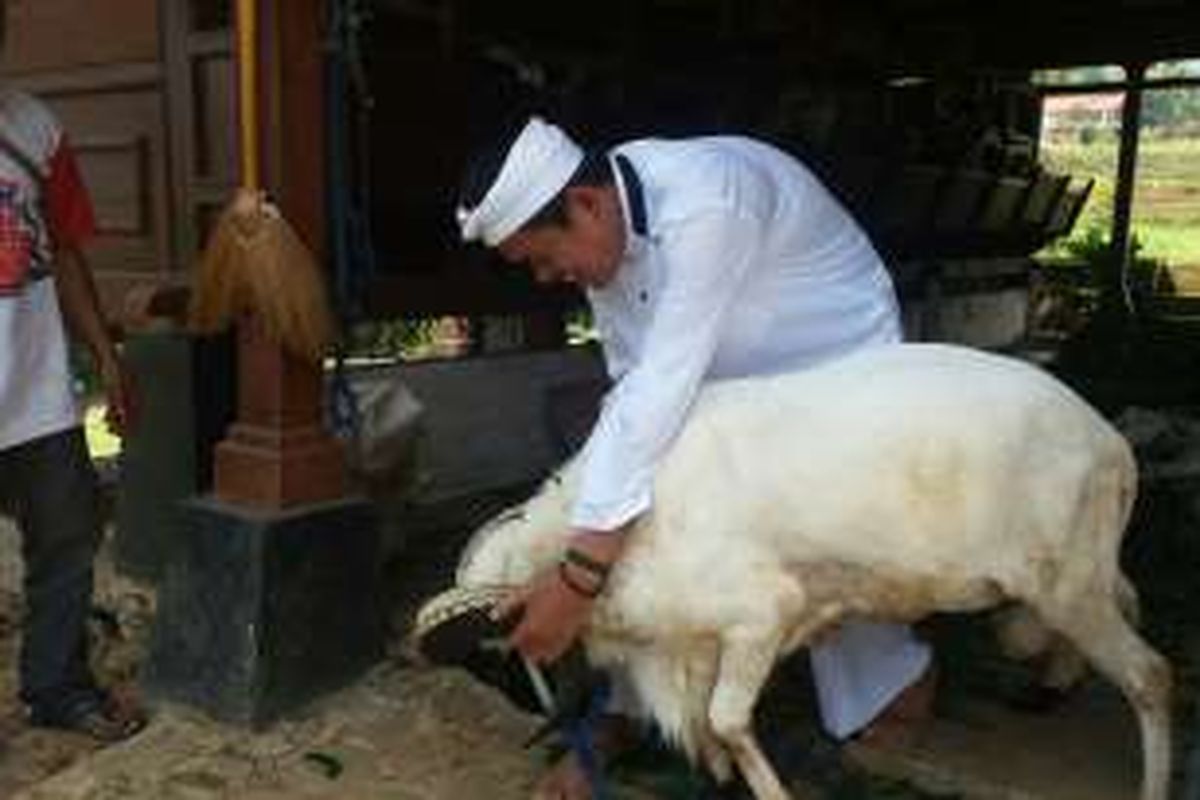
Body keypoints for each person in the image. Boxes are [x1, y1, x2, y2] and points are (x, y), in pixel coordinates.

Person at [456, 117, 935, 798]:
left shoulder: (708, 201)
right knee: (649, 520)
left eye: (541, 257)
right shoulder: (604, 234)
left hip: (832, 355)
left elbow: (658, 392)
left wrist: (578, 578)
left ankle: (897, 683)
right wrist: (571, 533)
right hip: (725, 372)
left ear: (586, 205)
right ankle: (629, 711)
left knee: (824, 537)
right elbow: (632, 399)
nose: (546, 276)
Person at [0, 75, 145, 741]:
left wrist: (107, 359)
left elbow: (64, 254)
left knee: (68, 539)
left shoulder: (37, 128)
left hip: (36, 393)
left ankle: (54, 687)